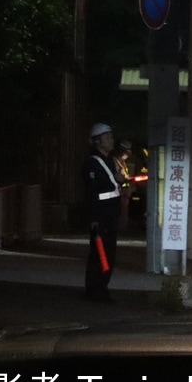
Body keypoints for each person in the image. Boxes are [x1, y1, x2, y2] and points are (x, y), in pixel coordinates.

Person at [84, 122, 122, 301]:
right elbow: (91, 192)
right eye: (106, 138)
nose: (111, 140)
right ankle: (94, 290)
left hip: (111, 215)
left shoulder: (110, 161)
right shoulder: (93, 163)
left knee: (109, 254)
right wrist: (93, 217)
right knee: (99, 254)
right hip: (100, 217)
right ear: (97, 142)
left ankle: (102, 288)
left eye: (111, 136)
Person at [115, 140, 134, 232]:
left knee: (124, 211)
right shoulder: (116, 161)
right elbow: (119, 176)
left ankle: (123, 228)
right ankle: (120, 229)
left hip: (125, 191)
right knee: (120, 211)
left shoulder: (122, 162)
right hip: (119, 191)